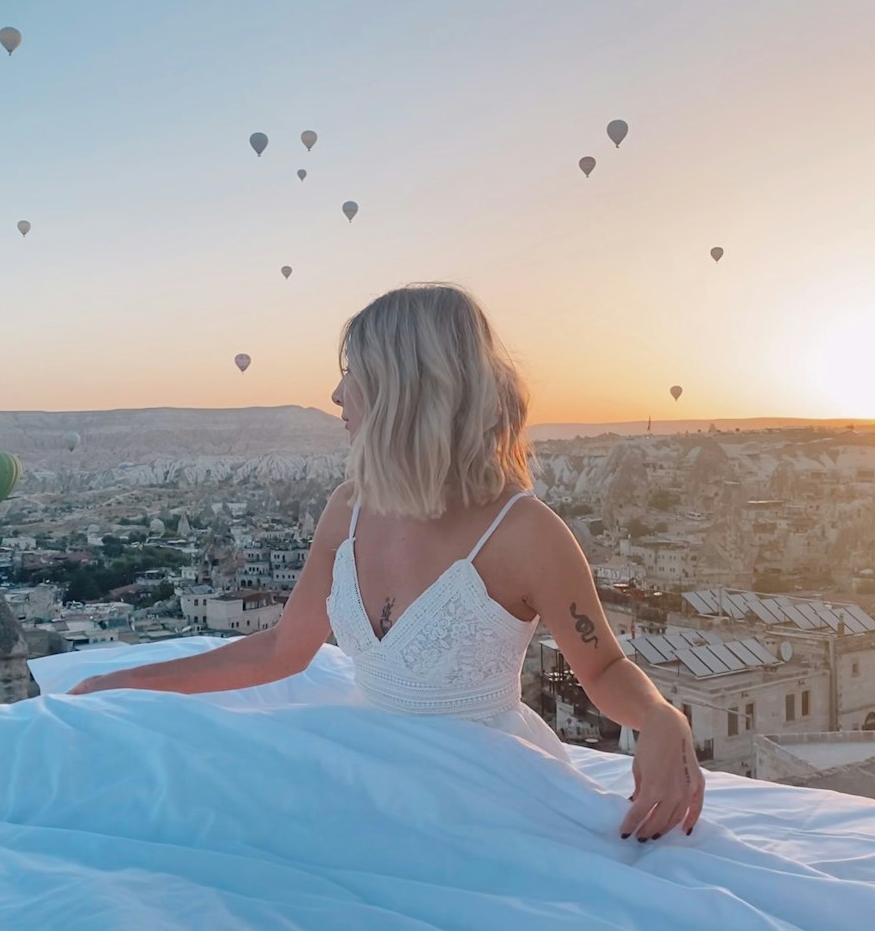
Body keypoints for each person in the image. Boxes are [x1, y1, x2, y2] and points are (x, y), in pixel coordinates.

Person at [69, 283, 704, 845]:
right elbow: (281, 651)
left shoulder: (524, 533)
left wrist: (659, 716)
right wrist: (128, 682)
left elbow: (603, 665)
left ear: (406, 386)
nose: (336, 392)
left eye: (354, 371)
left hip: (482, 790)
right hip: (362, 773)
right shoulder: (347, 508)